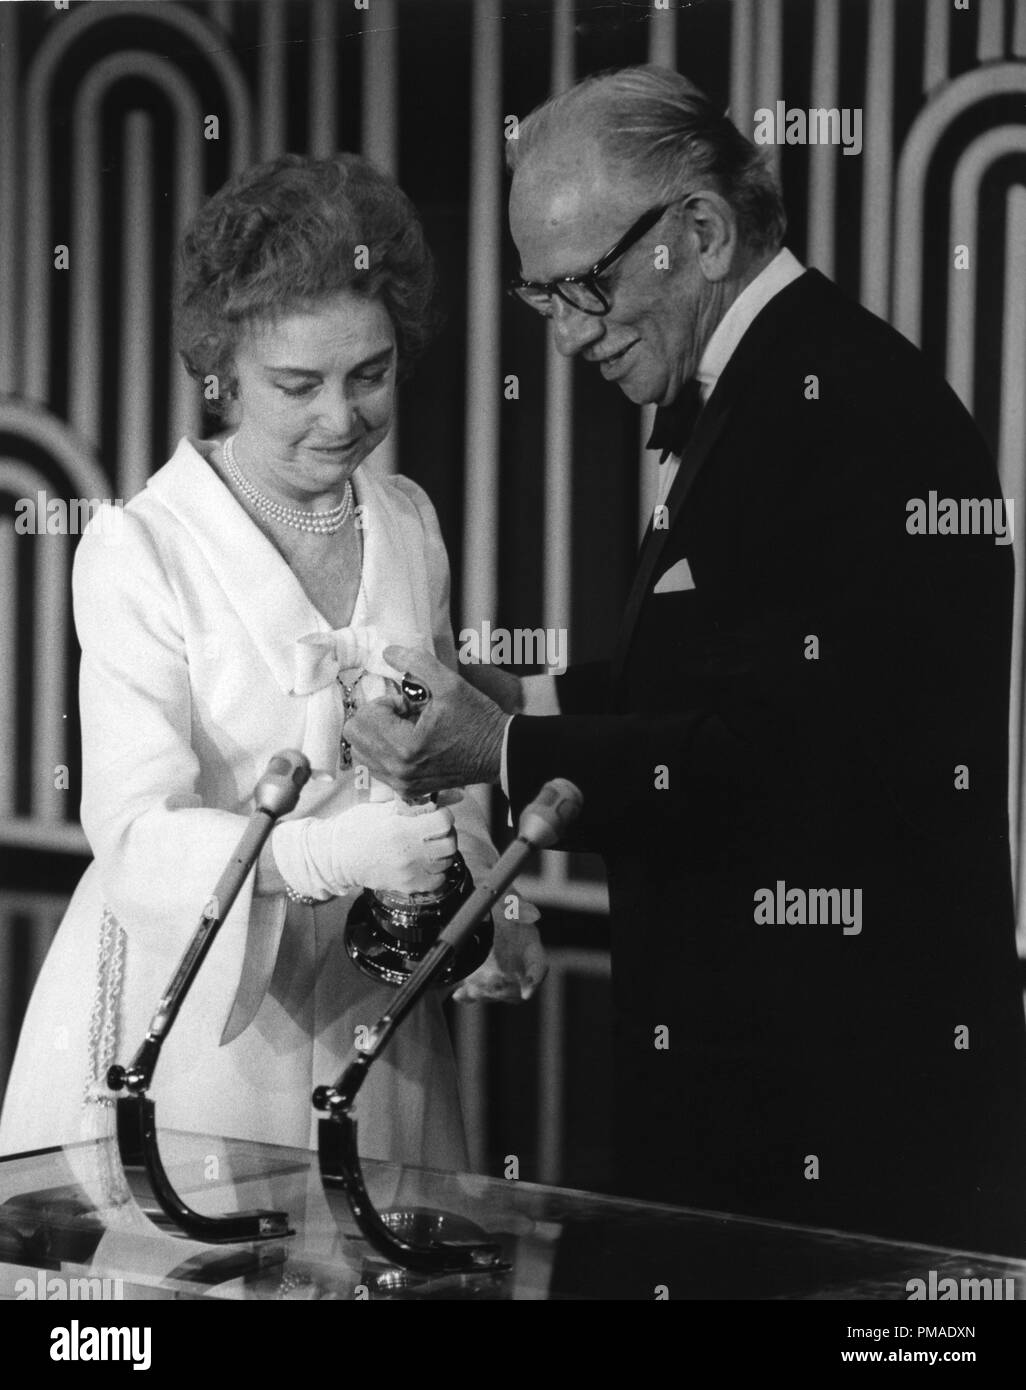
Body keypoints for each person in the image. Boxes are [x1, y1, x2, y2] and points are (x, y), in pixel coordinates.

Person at [346, 67, 1026, 1252]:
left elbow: (782, 764)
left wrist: (495, 748)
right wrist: (527, 698)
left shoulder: (842, 412)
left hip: (835, 1107)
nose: (562, 336)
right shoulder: (778, 385)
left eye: (584, 287)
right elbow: (734, 681)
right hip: (772, 1076)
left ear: (702, 231)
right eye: (538, 296)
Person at [0, 153, 543, 1167]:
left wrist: (488, 888)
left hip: (372, 1016)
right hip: (196, 1018)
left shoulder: (409, 519)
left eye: (370, 374)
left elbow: (445, 749)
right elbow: (131, 834)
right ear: (222, 367)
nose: (342, 419)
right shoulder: (141, 546)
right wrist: (315, 857)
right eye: (297, 385)